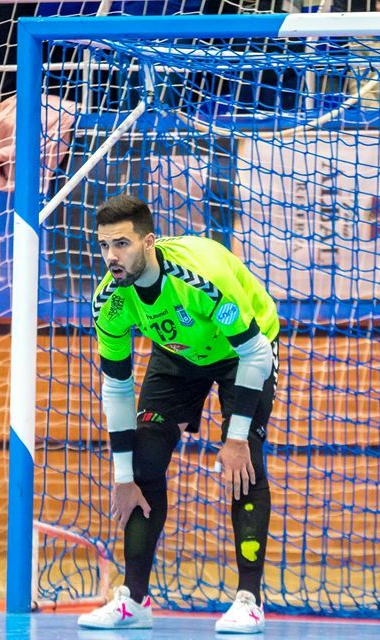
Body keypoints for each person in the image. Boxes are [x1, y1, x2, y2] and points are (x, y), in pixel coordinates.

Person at [78, 194, 280, 633]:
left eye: (122, 244)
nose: (112, 256)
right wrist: (123, 477)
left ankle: (249, 600)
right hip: (179, 355)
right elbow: (116, 386)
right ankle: (134, 600)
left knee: (245, 466)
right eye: (104, 245)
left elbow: (255, 352)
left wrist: (237, 436)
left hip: (243, 351)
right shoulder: (109, 302)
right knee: (144, 461)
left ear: (149, 242)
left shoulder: (198, 278)